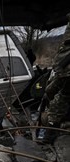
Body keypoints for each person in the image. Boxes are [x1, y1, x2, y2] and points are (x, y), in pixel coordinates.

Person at [40, 13, 70, 144]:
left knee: (59, 102)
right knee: (53, 94)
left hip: (65, 73)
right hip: (63, 71)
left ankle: (49, 136)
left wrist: (61, 65)